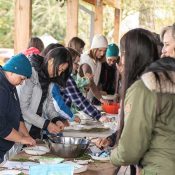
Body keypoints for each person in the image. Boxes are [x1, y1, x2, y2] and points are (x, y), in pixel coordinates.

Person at [109, 28, 175, 175]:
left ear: (131, 55)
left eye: (123, 54)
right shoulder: (167, 79)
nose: (122, 60)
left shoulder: (144, 87)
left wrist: (112, 156)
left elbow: (130, 150)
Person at [17, 47, 72, 139]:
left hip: (37, 131)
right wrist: (46, 124)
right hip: (22, 131)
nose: (59, 74)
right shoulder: (30, 73)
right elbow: (22, 109)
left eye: (62, 71)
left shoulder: (50, 79)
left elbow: (49, 106)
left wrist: (56, 119)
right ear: (51, 60)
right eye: (59, 69)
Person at [0, 53, 36, 163]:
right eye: (21, 78)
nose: (22, 83)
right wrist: (21, 139)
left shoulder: (11, 83)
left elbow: (18, 115)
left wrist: (27, 137)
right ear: (11, 71)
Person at [79, 34, 108, 104]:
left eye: (104, 51)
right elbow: (91, 83)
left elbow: (95, 81)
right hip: (80, 100)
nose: (102, 54)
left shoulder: (98, 61)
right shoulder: (86, 60)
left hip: (88, 100)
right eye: (100, 50)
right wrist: (101, 99)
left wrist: (99, 93)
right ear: (94, 49)